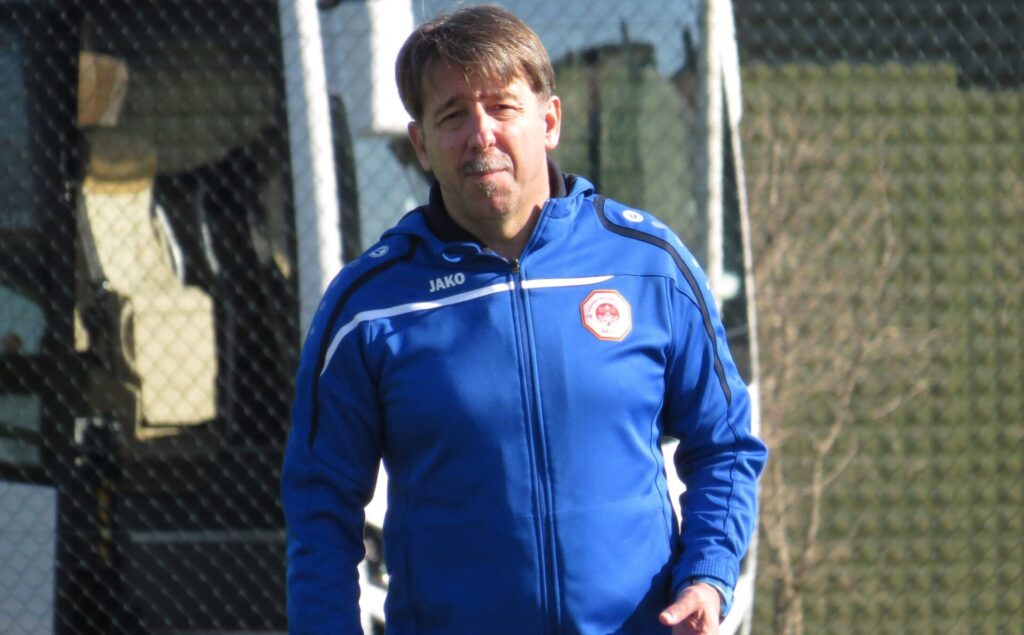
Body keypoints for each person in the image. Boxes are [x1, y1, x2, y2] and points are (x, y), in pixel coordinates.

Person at [281, 4, 767, 634]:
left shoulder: (651, 267)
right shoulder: (368, 306)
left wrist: (708, 573)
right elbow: (320, 504)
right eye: (452, 115)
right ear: (421, 144)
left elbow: (725, 444)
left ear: (549, 120)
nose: (481, 134)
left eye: (501, 107)